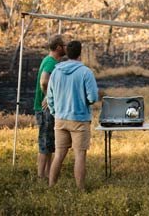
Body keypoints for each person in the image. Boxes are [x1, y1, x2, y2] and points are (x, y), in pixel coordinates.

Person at [46, 40, 100, 190]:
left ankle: (51, 187)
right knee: (80, 156)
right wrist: (85, 101)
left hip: (60, 119)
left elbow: (49, 97)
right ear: (80, 53)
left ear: (67, 53)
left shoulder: (56, 71)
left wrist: (54, 111)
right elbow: (93, 97)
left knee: (58, 155)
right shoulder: (85, 72)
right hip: (79, 119)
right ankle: (81, 189)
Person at [33, 34, 66, 179]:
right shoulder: (51, 62)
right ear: (58, 47)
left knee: (49, 143)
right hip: (45, 109)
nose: (65, 47)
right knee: (45, 144)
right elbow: (44, 81)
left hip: (47, 109)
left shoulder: (48, 60)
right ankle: (41, 176)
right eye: (64, 45)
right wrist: (48, 96)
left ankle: (46, 174)